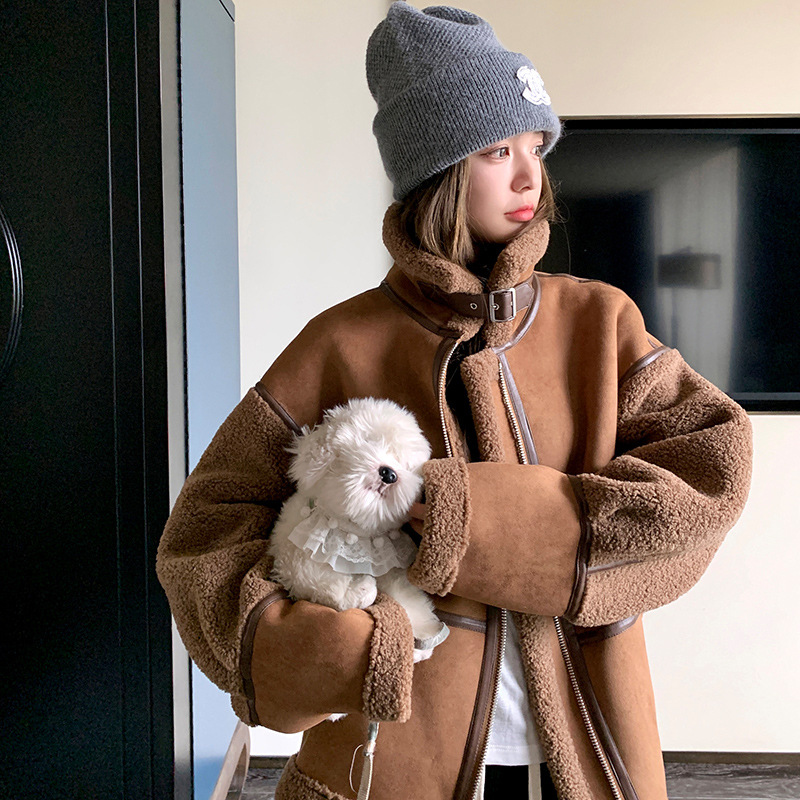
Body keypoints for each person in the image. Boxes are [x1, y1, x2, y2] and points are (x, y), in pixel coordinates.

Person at [156, 4, 753, 800]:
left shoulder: (599, 321)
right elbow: (202, 537)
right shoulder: (339, 343)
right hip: (388, 757)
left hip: (581, 751)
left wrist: (464, 518)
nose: (529, 177)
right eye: (497, 150)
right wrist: (333, 650)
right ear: (435, 169)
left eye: (535, 147)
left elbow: (711, 472)